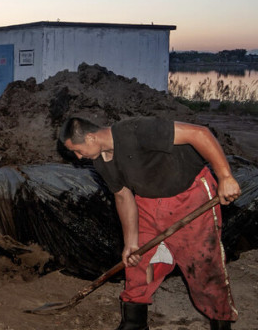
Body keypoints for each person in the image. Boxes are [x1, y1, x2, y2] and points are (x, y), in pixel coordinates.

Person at [60, 116, 241, 330]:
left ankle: (221, 322)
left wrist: (225, 176)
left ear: (91, 137)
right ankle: (134, 323)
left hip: (189, 196)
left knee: (203, 265)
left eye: (78, 150)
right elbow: (123, 197)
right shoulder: (101, 161)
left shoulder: (136, 130)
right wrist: (131, 242)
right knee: (137, 261)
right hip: (147, 203)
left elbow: (199, 133)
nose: (78, 157)